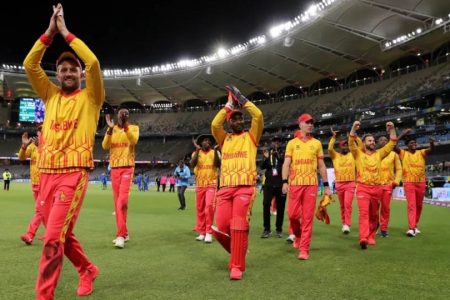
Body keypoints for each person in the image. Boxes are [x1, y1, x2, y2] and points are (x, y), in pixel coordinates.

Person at [23, 4, 104, 298]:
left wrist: (66, 33)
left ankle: (43, 295)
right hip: (45, 174)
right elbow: (30, 65)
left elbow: (93, 63)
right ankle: (87, 269)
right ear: (57, 75)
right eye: (63, 69)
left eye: (73, 69)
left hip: (73, 173)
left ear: (80, 74)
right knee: (63, 234)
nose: (69, 72)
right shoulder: (50, 94)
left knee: (52, 238)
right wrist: (48, 33)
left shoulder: (92, 96)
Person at [211, 84, 263, 280]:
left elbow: (257, 116)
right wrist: (228, 106)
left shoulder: (251, 136)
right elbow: (214, 126)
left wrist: (242, 100)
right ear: (229, 123)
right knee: (222, 227)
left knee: (238, 225)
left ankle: (237, 266)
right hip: (224, 189)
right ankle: (240, 248)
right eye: (235, 119)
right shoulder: (224, 140)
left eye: (241, 117)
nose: (239, 120)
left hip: (244, 187)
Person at [281, 113, 331, 260]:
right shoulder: (291, 144)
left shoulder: (316, 143)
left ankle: (304, 249)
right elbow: (286, 164)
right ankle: (298, 235)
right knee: (292, 215)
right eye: (307, 122)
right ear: (300, 124)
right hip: (295, 184)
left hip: (311, 184)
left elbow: (321, 166)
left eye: (312, 123)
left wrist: (327, 185)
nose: (310, 125)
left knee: (308, 217)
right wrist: (284, 181)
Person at [348, 121, 397, 249]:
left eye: (373, 140)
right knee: (364, 213)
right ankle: (363, 238)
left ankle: (371, 236)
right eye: (369, 141)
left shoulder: (379, 154)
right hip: (363, 188)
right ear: (363, 143)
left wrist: (392, 129)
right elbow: (350, 142)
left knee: (374, 215)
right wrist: (353, 128)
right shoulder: (358, 153)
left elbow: (392, 143)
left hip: (377, 188)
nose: (373, 142)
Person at [102, 107, 139, 248]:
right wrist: (110, 129)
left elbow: (134, 141)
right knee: (118, 203)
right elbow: (105, 145)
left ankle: (120, 235)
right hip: (115, 169)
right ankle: (125, 232)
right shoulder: (112, 129)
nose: (123, 115)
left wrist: (125, 128)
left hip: (127, 168)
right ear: (117, 116)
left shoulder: (134, 128)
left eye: (126, 114)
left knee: (122, 201)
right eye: (121, 114)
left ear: (128, 116)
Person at [394, 130, 434, 237]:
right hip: (409, 182)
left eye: (415, 143)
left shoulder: (421, 152)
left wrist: (431, 143)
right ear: (407, 146)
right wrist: (402, 134)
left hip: (421, 182)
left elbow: (431, 149)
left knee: (419, 205)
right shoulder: (403, 153)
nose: (414, 144)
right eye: (411, 143)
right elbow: (393, 145)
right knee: (412, 205)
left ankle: (415, 226)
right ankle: (411, 228)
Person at [190, 135, 220, 243]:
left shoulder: (214, 152)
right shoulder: (196, 153)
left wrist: (216, 151)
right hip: (200, 184)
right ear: (200, 143)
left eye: (208, 141)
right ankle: (202, 232)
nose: (206, 142)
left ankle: (209, 232)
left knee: (209, 207)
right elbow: (192, 164)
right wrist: (197, 151)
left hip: (211, 184)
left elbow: (218, 164)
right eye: (204, 141)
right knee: (200, 209)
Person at [19, 128, 44, 245]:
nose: (39, 134)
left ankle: (29, 234)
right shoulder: (32, 146)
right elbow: (21, 157)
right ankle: (52, 234)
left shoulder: (48, 147)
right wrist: (24, 147)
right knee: (44, 210)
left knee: (39, 210)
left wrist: (41, 147)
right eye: (38, 132)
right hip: (35, 184)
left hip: (45, 184)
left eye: (41, 132)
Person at [328, 127, 355, 234]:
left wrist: (351, 138)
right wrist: (333, 137)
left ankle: (347, 224)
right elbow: (330, 149)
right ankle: (344, 223)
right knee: (342, 205)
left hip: (350, 183)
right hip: (339, 184)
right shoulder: (335, 156)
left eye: (346, 145)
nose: (345, 147)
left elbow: (357, 147)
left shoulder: (353, 154)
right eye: (343, 145)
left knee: (347, 204)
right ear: (340, 147)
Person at [260, 135, 286, 238]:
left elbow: (286, 165)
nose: (276, 143)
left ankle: (279, 229)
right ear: (272, 142)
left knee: (281, 207)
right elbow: (261, 166)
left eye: (278, 141)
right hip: (269, 184)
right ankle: (267, 229)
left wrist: (278, 157)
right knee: (266, 205)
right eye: (274, 141)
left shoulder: (284, 153)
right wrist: (266, 158)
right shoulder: (267, 153)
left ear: (280, 143)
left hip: (281, 184)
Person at [377, 136, 402, 237]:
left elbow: (399, 169)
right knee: (373, 208)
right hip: (375, 185)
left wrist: (396, 181)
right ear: (378, 142)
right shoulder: (375, 153)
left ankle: (383, 229)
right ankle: (373, 226)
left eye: (385, 140)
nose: (383, 141)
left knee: (386, 208)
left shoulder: (394, 154)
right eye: (381, 140)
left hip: (388, 185)